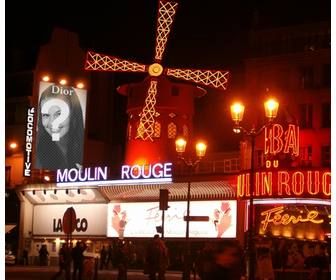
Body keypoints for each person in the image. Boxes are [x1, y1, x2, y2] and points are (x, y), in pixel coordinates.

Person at [35, 84, 85, 170]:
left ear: (74, 114)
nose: (52, 123)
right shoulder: (36, 152)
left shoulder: (86, 146)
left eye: (59, 114)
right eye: (46, 115)